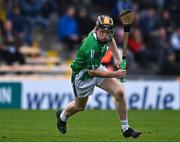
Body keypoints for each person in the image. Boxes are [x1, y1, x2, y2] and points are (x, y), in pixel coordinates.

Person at [56, 15, 142, 138]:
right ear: (96, 30)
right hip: (83, 75)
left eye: (107, 32)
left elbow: (111, 40)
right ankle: (62, 116)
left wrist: (117, 58)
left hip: (97, 67)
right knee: (79, 107)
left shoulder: (106, 35)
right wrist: (114, 74)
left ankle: (126, 128)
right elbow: (92, 72)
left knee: (120, 93)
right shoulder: (91, 46)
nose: (104, 35)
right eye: (102, 32)